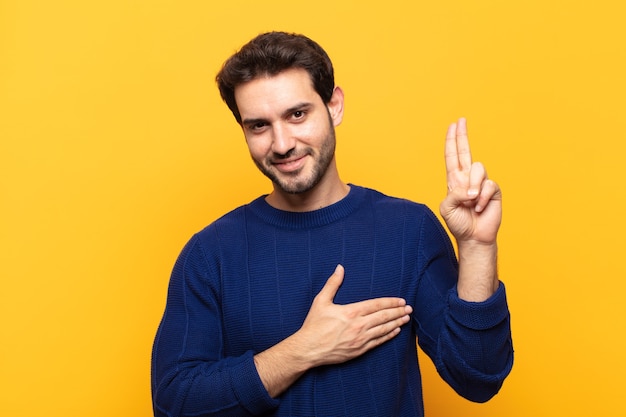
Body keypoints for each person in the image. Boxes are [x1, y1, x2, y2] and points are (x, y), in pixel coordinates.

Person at [151, 31, 513, 417]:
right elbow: (174, 404)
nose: (282, 143)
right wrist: (303, 350)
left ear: (334, 105)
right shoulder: (210, 254)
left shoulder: (409, 229)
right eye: (259, 125)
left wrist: (477, 249)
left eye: (297, 114)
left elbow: (479, 377)